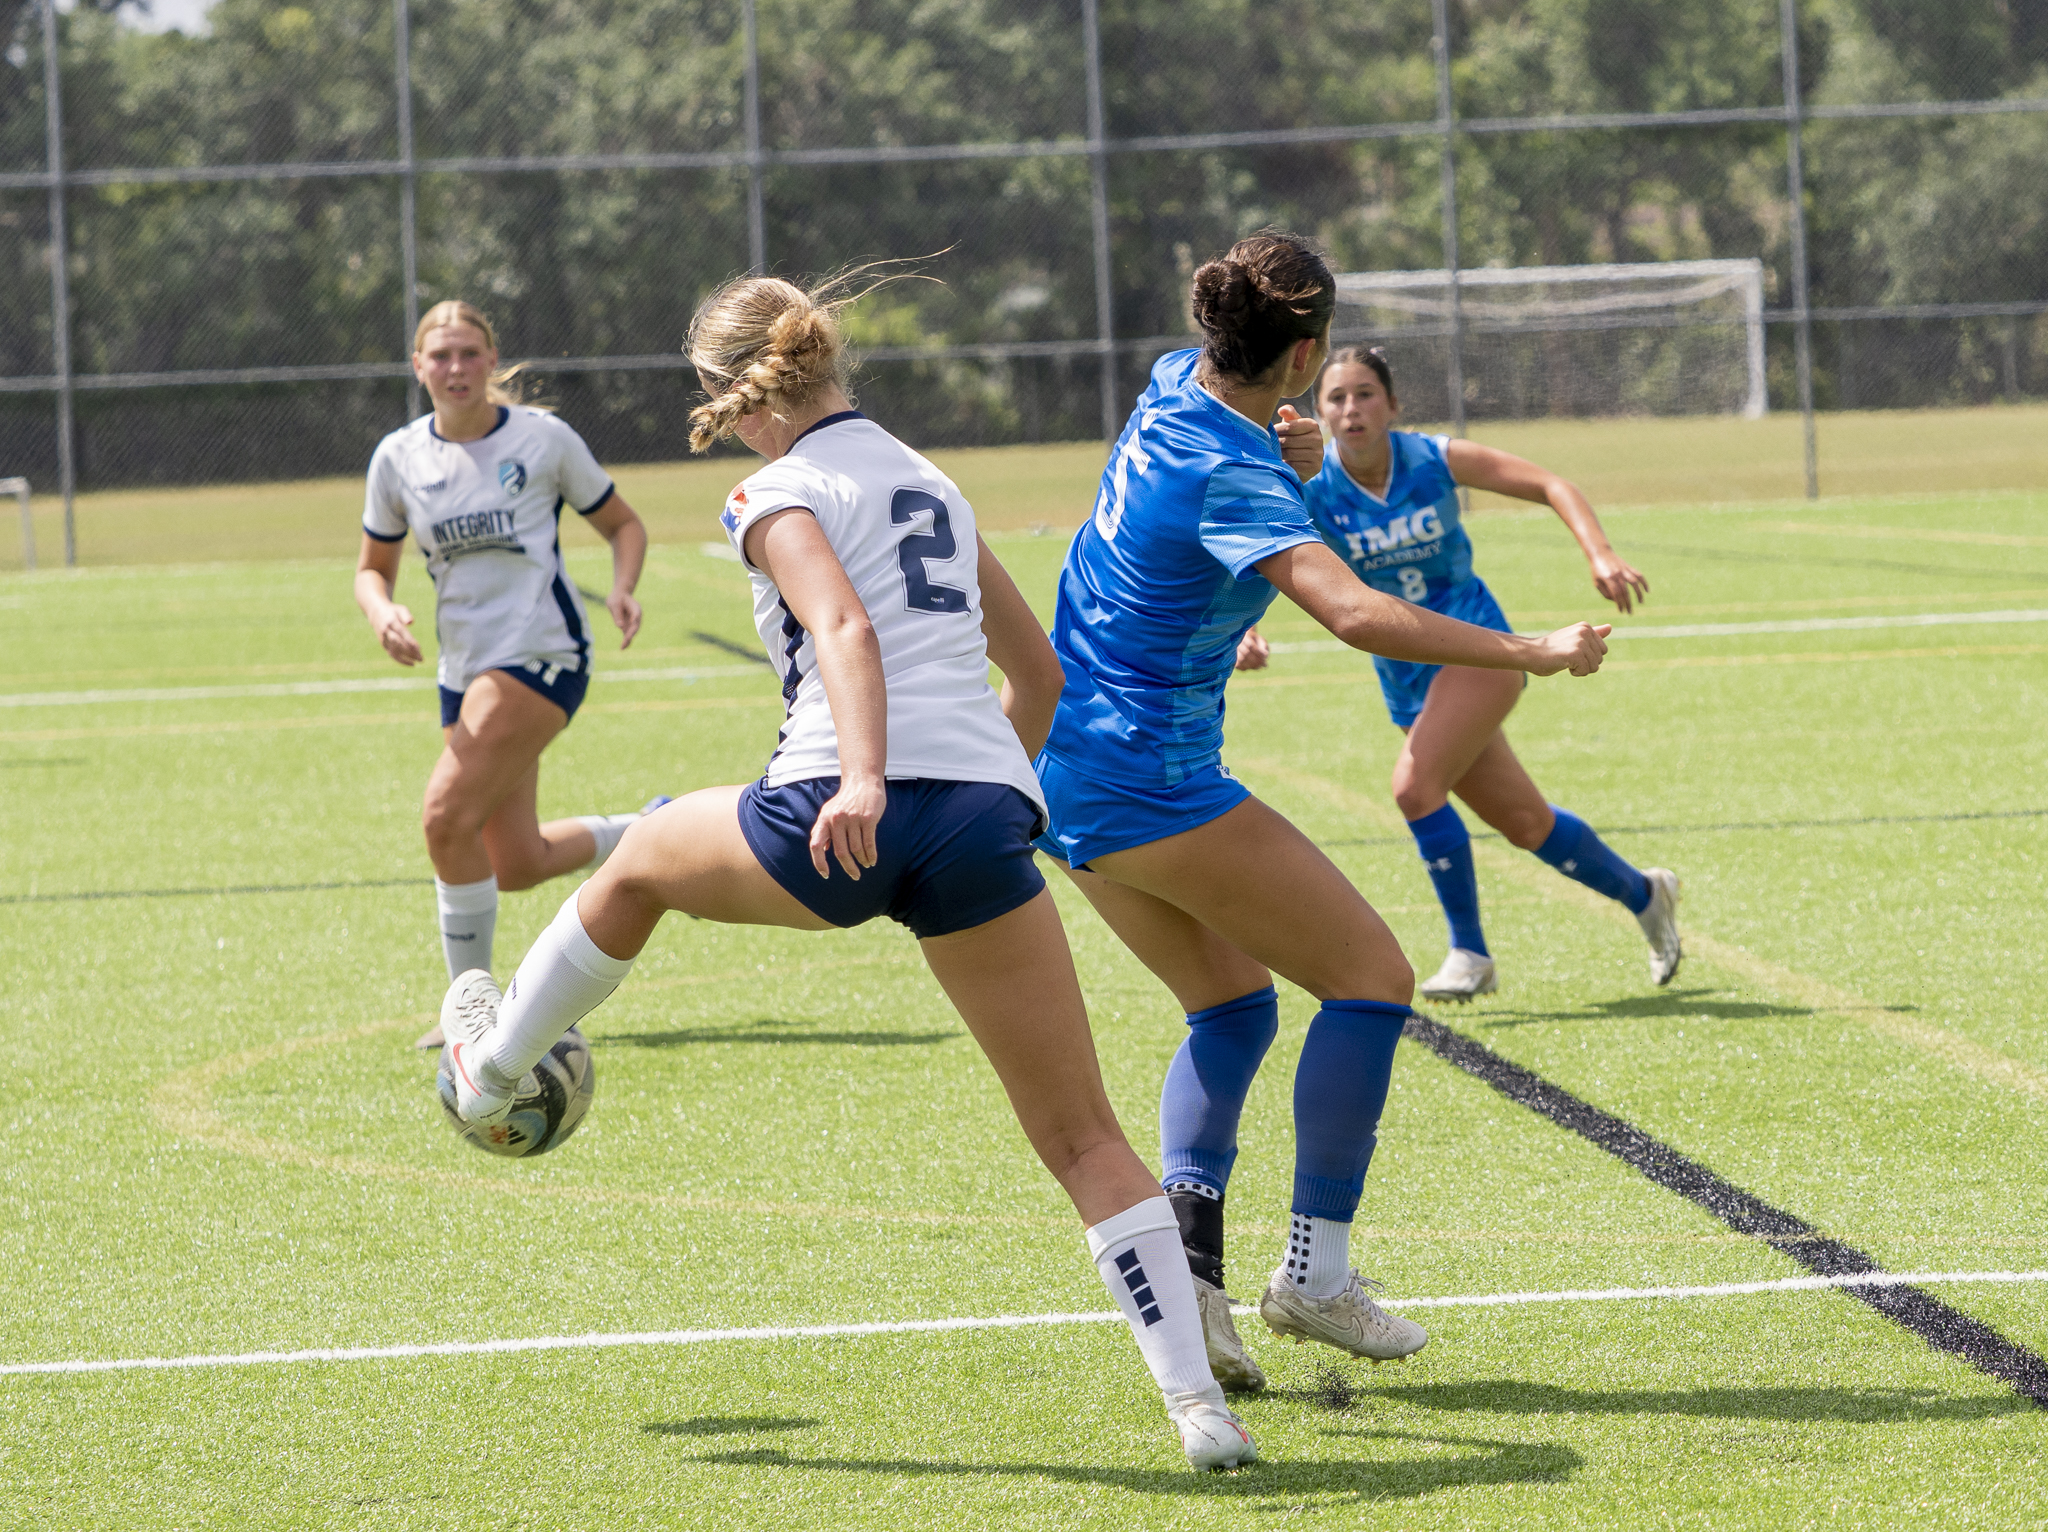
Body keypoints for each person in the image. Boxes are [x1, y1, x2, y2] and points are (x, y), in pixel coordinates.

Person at [437, 273, 1261, 1471]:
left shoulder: (771, 490)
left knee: (640, 865)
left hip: (837, 808)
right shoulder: (929, 476)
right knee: (1082, 1137)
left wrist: (867, 780)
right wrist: (983, 784)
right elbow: (1038, 680)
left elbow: (843, 630)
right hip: (980, 821)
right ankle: (1199, 1409)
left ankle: (488, 1070)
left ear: (730, 394)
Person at [1032, 232, 1612, 1392]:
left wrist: (1285, 451)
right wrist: (1526, 650)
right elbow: (1349, 611)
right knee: (1368, 976)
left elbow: (1220, 503)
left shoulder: (1166, 384)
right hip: (1149, 776)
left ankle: (1194, 1278)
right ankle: (1315, 1274)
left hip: (1059, 769)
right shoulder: (1238, 470)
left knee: (1233, 1005)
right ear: (1307, 353)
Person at [1236, 345, 1680, 1003]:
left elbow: (1551, 484)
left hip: (1483, 648)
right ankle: (1646, 894)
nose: (1351, 409)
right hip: (1406, 670)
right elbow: (1261, 550)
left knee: (1415, 787)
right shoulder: (1314, 486)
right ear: (1319, 412)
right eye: (1336, 398)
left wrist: (1601, 552)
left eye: (1364, 394)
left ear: (1392, 405)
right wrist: (1243, 624)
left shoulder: (1432, 460)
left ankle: (1469, 953)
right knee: (1527, 824)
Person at [354, 299, 656, 1046]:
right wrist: (381, 611)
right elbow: (370, 570)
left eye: (469, 354)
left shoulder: (542, 439)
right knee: (513, 862)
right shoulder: (399, 458)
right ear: (418, 367)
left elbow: (623, 523)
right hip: (461, 668)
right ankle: (651, 832)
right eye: (441, 356)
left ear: (492, 362)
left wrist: (622, 587)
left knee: (443, 817)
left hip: (542, 653)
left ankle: (471, 1008)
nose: (456, 368)